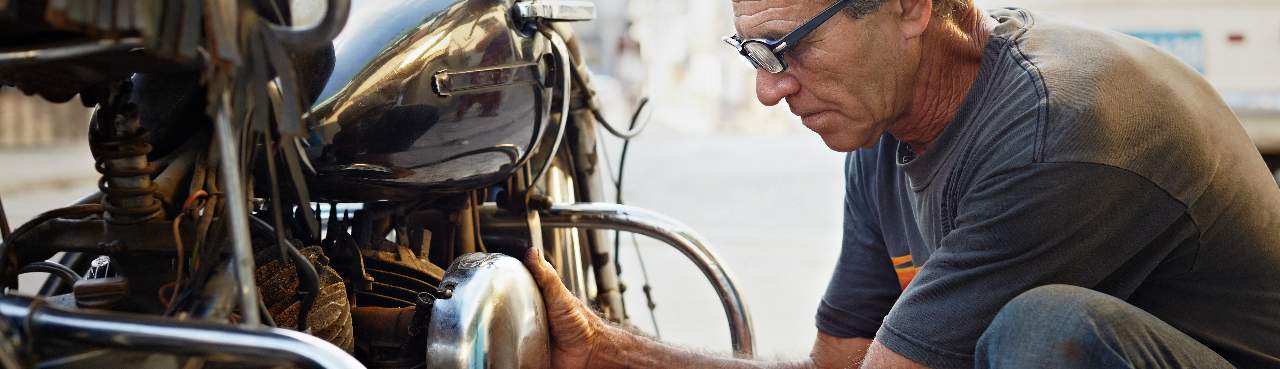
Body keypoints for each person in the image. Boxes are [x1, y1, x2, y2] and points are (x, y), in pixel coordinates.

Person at [522, 0, 1280, 367]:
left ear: (912, 7)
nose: (768, 89)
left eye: (790, 46)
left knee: (1043, 333)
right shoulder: (884, 136)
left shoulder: (1053, 136)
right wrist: (606, 352)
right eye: (755, 53)